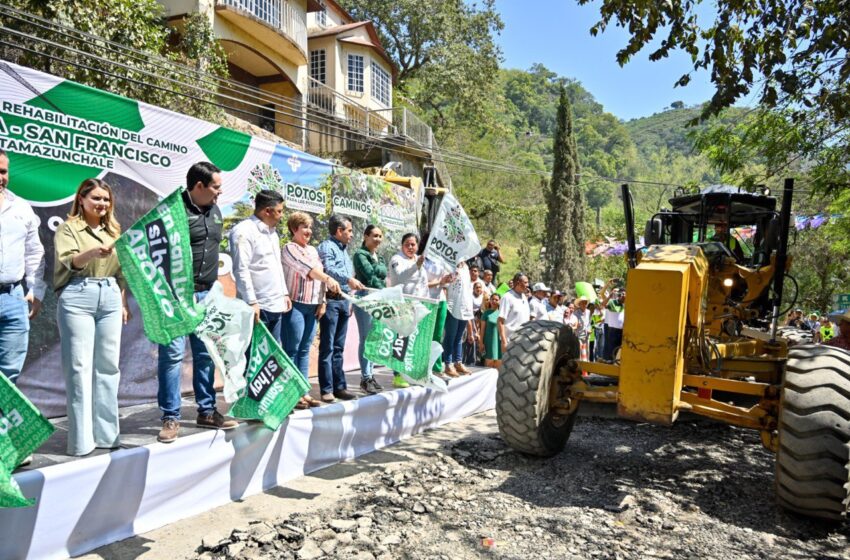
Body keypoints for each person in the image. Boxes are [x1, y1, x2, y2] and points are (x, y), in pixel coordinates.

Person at [157, 162, 238, 444]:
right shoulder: (172, 212)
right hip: (176, 296)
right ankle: (170, 417)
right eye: (215, 187)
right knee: (172, 357)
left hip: (207, 294)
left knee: (205, 355)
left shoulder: (215, 211)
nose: (220, 192)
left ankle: (206, 411)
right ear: (199, 186)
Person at [54, 178, 131, 456]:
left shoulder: (115, 230)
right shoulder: (68, 229)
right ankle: (81, 442)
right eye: (96, 198)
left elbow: (121, 272)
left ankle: (108, 436)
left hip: (110, 295)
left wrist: (122, 302)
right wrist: (93, 252)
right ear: (82, 199)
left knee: (109, 367)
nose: (102, 204)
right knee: (78, 369)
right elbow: (70, 261)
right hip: (78, 295)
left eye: (106, 199)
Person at [281, 212, 341, 408]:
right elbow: (308, 270)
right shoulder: (289, 249)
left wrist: (323, 301)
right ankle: (291, 393)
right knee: (292, 349)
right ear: (293, 229)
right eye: (304, 227)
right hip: (296, 304)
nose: (308, 231)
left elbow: (320, 275)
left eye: (310, 227)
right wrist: (328, 280)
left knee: (305, 349)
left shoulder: (314, 251)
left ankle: (303, 391)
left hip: (313, 306)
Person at [0, 149, 46, 388]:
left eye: (3, 171)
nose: (0, 177)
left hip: (13, 299)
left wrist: (35, 290)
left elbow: (34, 252)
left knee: (9, 378)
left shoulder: (21, 207)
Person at [229, 190, 292, 344]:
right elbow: (241, 269)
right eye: (279, 211)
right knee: (253, 359)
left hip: (275, 305)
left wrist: (284, 293)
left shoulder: (273, 234)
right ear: (267, 211)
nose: (281, 215)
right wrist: (252, 302)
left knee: (271, 361)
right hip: (258, 307)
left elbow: (277, 266)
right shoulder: (243, 231)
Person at [317, 215, 364, 403]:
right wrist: (348, 279)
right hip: (331, 301)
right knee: (327, 347)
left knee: (338, 347)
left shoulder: (345, 251)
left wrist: (350, 297)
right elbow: (327, 270)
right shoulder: (326, 247)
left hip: (344, 300)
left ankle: (340, 387)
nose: (351, 235)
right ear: (339, 231)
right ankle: (326, 389)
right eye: (349, 231)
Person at [387, 233, 431, 387]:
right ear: (402, 245)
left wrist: (426, 303)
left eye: (413, 244)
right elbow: (399, 277)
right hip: (401, 305)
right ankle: (397, 374)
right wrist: (416, 266)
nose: (411, 247)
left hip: (417, 306)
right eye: (407, 244)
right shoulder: (396, 259)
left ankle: (410, 372)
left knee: (413, 341)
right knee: (401, 340)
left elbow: (423, 284)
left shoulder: (418, 259)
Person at [352, 224, 387, 395]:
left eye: (380, 236)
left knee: (373, 339)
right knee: (365, 339)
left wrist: (378, 274)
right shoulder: (360, 254)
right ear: (365, 236)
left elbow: (382, 272)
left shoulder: (378, 256)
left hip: (377, 299)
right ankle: (365, 378)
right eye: (374, 235)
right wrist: (378, 274)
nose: (378, 239)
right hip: (365, 298)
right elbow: (370, 276)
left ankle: (371, 375)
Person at [442, 262, 474, 377]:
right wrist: (446, 306)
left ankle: (458, 362)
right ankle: (448, 364)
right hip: (452, 306)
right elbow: (445, 287)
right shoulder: (449, 263)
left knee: (459, 336)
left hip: (464, 306)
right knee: (451, 336)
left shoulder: (465, 266)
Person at [498, 273, 530, 354]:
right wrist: (504, 342)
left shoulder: (524, 297)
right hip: (510, 342)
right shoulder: (507, 297)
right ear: (518, 283)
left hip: (523, 341)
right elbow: (500, 321)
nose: (527, 285)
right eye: (525, 282)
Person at [600, 286, 626, 362]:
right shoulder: (612, 302)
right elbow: (603, 304)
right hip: (613, 331)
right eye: (622, 294)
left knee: (618, 353)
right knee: (610, 352)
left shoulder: (625, 305)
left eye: (624, 294)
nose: (623, 296)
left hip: (622, 332)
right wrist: (609, 296)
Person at [479, 292, 503, 367]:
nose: (494, 301)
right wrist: (481, 343)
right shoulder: (486, 313)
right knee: (489, 364)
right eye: (492, 299)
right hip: (489, 343)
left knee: (498, 364)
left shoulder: (502, 314)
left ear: (500, 301)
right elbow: (482, 330)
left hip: (499, 343)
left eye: (496, 300)